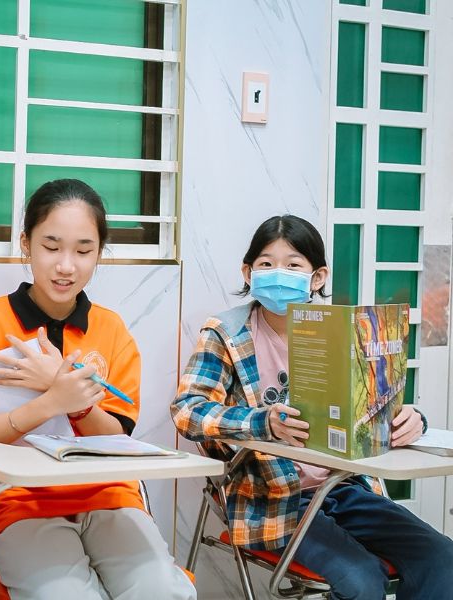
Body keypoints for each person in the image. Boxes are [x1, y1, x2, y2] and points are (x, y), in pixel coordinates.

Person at [172, 214, 453, 599]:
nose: (278, 273)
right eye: (266, 263)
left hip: (347, 487)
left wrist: (411, 419)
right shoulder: (227, 333)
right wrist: (263, 422)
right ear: (248, 272)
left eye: (293, 265)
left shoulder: (345, 331)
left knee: (442, 560)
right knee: (361, 579)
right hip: (272, 499)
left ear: (317, 277)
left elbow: (374, 407)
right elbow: (187, 410)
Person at [0, 179, 195, 600]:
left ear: (99, 253)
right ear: (26, 244)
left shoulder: (112, 331)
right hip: (17, 501)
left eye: (83, 250)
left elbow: (118, 437)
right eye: (51, 246)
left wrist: (78, 406)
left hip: (107, 495)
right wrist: (50, 401)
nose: (66, 266)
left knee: (163, 591)